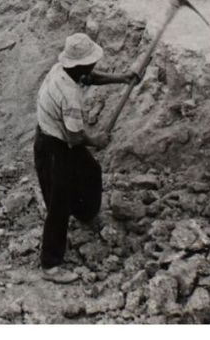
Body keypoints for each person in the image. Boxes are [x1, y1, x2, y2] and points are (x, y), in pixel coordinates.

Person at [34, 33, 139, 284]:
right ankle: (50, 264)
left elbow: (89, 77)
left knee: (91, 171)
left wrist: (122, 78)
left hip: (53, 137)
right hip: (54, 146)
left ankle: (85, 214)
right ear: (80, 64)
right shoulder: (69, 96)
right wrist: (97, 140)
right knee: (58, 204)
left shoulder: (63, 70)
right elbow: (75, 137)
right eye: (90, 61)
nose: (93, 64)